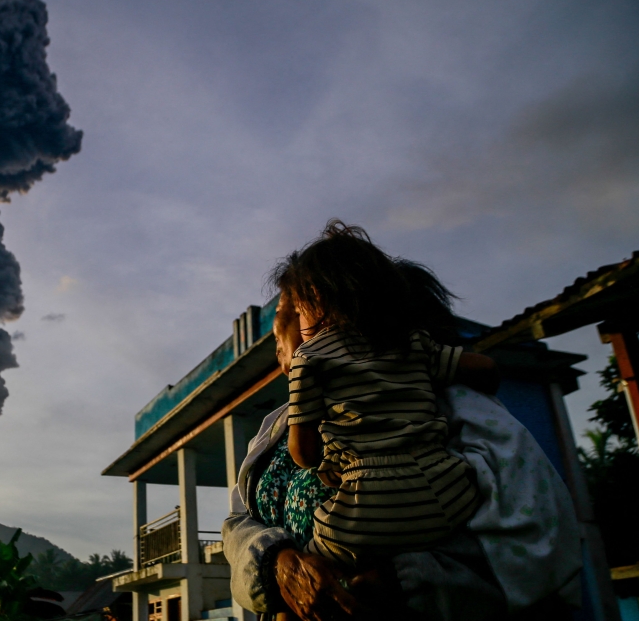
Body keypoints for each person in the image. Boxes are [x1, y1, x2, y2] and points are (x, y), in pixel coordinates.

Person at [222, 259, 582, 621]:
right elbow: (239, 522)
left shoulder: (446, 407)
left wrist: (409, 583)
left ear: (328, 318)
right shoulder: (276, 426)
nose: (275, 328)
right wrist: (275, 564)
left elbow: (539, 548)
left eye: (287, 308)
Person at [272, 221, 497, 566]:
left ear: (315, 300)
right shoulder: (413, 343)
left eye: (298, 310)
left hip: (367, 506)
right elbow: (485, 368)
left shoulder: (311, 358)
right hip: (447, 495)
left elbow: (302, 452)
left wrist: (325, 458)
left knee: (313, 566)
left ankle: (368, 585)